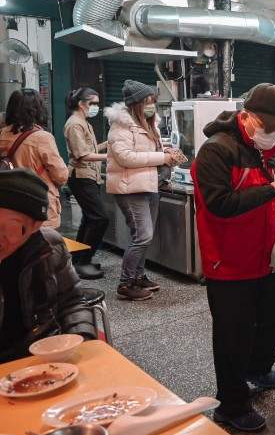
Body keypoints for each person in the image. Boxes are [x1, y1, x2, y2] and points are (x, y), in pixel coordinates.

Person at [192, 83, 275, 432]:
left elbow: (264, 196)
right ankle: (231, 405)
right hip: (229, 261)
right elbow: (219, 206)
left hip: (265, 257)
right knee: (232, 334)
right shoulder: (215, 151)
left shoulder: (265, 149)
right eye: (270, 126)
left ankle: (256, 367)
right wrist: (270, 192)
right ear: (248, 117)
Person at [0, 168, 96, 363]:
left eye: (9, 226)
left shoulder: (50, 246)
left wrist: (83, 342)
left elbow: (72, 303)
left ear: (36, 225)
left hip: (43, 358)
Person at [105, 80, 178, 301]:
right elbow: (125, 157)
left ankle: (138, 276)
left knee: (145, 236)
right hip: (130, 189)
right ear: (135, 104)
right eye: (147, 102)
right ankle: (126, 284)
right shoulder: (120, 127)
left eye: (152, 101)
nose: (151, 106)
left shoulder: (148, 124)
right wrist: (161, 157)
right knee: (143, 235)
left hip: (149, 184)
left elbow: (148, 149)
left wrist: (167, 150)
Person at [0, 88, 69, 229]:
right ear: (38, 109)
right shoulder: (42, 137)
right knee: (42, 247)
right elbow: (61, 176)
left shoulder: (2, 134)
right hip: (37, 203)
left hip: (9, 202)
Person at [63, 87, 108, 280]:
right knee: (100, 218)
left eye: (97, 103)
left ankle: (79, 258)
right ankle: (83, 261)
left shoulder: (83, 122)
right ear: (81, 104)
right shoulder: (74, 124)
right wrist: (112, 156)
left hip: (89, 175)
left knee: (90, 219)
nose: (96, 107)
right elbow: (83, 155)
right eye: (93, 104)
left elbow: (90, 148)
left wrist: (108, 143)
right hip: (81, 176)